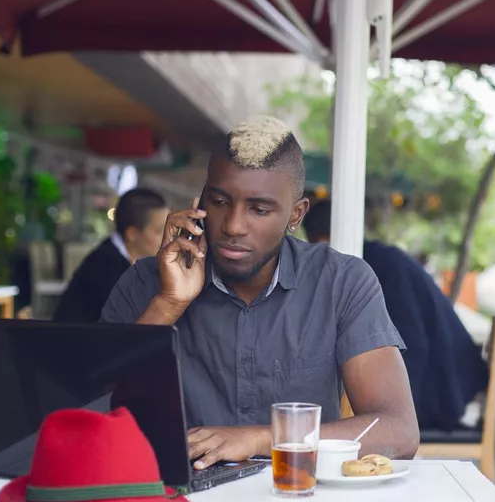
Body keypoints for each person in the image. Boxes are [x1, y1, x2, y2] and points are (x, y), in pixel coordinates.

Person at [100, 116, 419, 468]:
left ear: (295, 215)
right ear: (201, 200)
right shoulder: (145, 282)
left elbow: (398, 431)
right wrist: (168, 304)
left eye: (259, 209)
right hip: (176, 501)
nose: (234, 226)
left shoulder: (340, 282)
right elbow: (94, 410)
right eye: (220, 202)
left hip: (298, 500)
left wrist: (263, 438)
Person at [302, 200, 489, 432]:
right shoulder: (380, 258)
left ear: (321, 241)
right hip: (447, 379)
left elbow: (412, 345)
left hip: (446, 393)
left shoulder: (374, 269)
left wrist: (398, 421)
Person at [53, 188, 169, 323]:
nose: (168, 237)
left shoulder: (112, 255)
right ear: (132, 234)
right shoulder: (106, 270)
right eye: (160, 231)